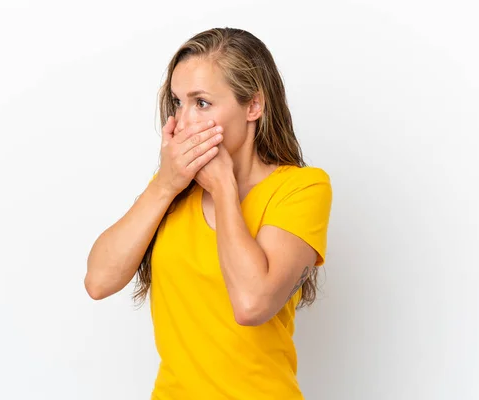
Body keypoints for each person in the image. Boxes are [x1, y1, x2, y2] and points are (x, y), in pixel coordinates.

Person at [85, 27, 333, 400]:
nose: (183, 122)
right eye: (177, 103)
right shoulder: (170, 190)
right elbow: (98, 282)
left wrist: (224, 187)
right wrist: (165, 185)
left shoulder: (301, 189)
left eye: (201, 103)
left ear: (253, 106)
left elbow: (252, 303)